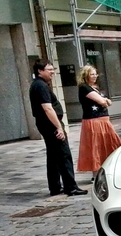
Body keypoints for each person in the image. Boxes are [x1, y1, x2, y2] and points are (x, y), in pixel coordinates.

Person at [29, 59, 87, 196]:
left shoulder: (38, 84)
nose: (52, 72)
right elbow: (48, 109)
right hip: (50, 125)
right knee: (63, 154)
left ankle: (55, 187)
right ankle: (70, 187)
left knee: (53, 156)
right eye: (49, 70)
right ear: (40, 71)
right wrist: (59, 128)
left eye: (53, 69)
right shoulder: (41, 86)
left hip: (46, 124)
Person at [76, 65, 121, 179]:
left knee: (110, 144)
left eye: (95, 73)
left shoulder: (95, 88)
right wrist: (105, 101)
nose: (95, 76)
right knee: (95, 147)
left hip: (103, 120)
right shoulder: (84, 88)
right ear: (85, 75)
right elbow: (102, 101)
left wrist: (105, 101)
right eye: (92, 74)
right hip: (94, 121)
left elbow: (108, 102)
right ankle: (96, 174)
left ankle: (108, 169)